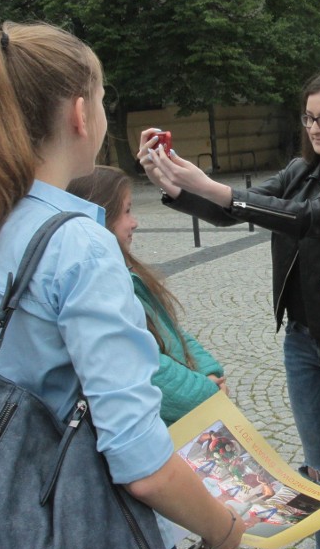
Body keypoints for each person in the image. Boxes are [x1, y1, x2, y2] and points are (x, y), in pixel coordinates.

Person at [0, 22, 246, 549]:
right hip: (72, 534)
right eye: (105, 99)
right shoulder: (78, 245)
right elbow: (142, 463)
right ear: (81, 115)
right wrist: (223, 527)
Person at [139, 68, 320, 549]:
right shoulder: (300, 172)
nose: (314, 128)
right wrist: (173, 179)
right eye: (308, 117)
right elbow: (237, 212)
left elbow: (310, 219)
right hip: (303, 343)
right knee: (318, 470)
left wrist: (213, 187)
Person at [68, 165, 228, 425]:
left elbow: (171, 330)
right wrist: (206, 392)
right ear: (102, 217)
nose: (135, 222)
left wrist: (208, 372)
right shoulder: (101, 286)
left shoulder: (127, 270)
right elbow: (145, 365)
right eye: (127, 211)